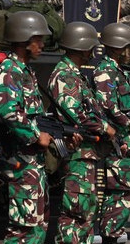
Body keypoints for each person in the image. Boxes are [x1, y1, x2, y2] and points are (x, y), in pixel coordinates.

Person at [48, 22, 114, 244]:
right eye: (89, 47)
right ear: (81, 47)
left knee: (85, 212)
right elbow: (76, 115)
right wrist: (106, 128)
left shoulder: (75, 75)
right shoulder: (64, 76)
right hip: (77, 155)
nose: (92, 52)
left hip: (86, 154)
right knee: (76, 212)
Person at [0, 11, 54, 244]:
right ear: (24, 40)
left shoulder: (25, 71)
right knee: (23, 228)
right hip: (20, 160)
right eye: (38, 39)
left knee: (36, 224)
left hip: (31, 162)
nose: (42, 44)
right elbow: (6, 108)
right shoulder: (11, 70)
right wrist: (36, 135)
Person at [93, 22, 130, 244]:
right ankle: (110, 236)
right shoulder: (106, 71)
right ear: (118, 46)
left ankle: (112, 234)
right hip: (117, 139)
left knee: (124, 190)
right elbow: (107, 104)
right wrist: (129, 123)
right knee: (120, 190)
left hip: (123, 138)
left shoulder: (116, 70)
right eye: (128, 47)